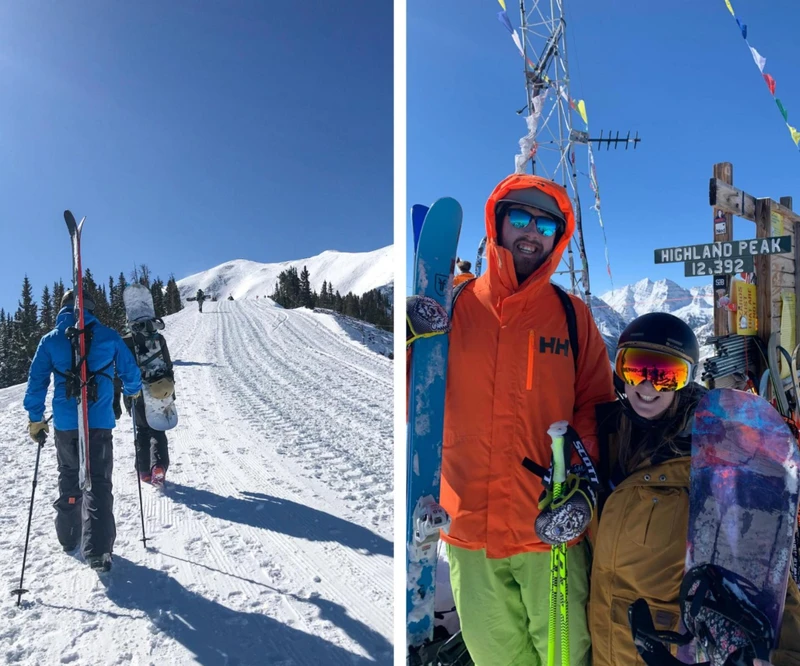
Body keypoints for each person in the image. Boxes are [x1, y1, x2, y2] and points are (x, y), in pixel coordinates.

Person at [411, 174, 615, 665]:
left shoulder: (572, 317)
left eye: (546, 223)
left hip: (548, 533)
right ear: (497, 223)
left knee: (567, 658)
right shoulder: (453, 306)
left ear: (558, 237)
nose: (532, 231)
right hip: (468, 536)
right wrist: (412, 345)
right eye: (520, 217)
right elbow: (414, 403)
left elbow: (596, 409)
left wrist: (584, 493)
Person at [588, 312, 800, 666]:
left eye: (667, 375)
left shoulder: (719, 461)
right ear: (619, 372)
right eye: (636, 368)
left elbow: (765, 579)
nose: (649, 386)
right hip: (604, 649)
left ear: (686, 380)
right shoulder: (602, 438)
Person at [23, 290, 142, 572]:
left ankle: (69, 536)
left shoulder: (51, 340)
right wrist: (133, 392)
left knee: (69, 475)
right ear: (90, 308)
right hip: (98, 422)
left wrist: (36, 419)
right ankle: (99, 551)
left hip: (66, 425)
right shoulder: (109, 336)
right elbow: (130, 373)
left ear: (63, 308)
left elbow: (36, 382)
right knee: (98, 481)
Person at [113, 326, 175, 485]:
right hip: (159, 388)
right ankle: (159, 465)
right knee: (157, 428)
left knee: (142, 429)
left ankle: (144, 470)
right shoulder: (158, 338)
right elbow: (168, 365)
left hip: (135, 391)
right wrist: (171, 392)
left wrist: (116, 399)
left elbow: (119, 371)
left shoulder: (124, 341)